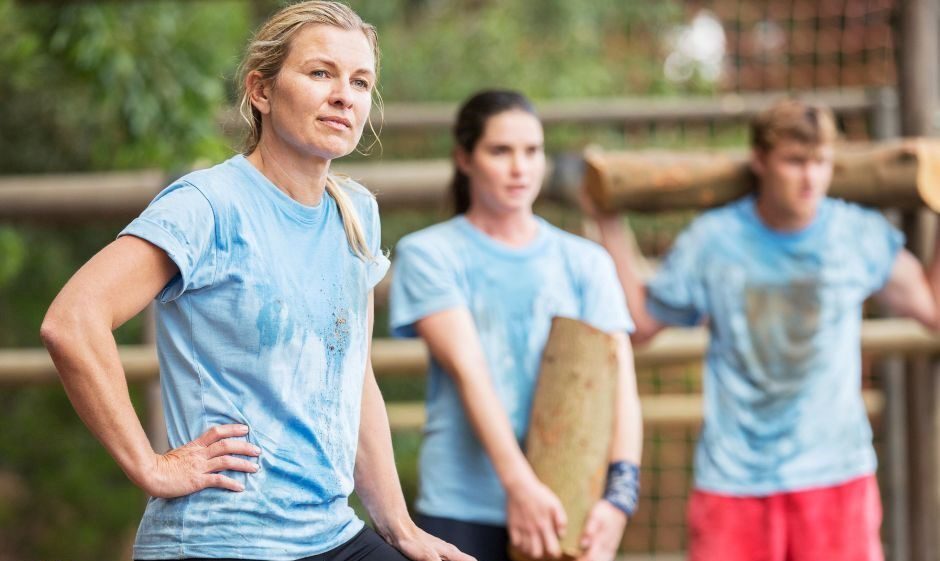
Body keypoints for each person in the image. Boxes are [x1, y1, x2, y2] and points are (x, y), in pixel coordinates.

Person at [39, 3, 472, 561]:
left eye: (360, 81)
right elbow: (71, 321)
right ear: (260, 91)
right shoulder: (208, 205)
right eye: (321, 73)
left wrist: (400, 527)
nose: (344, 94)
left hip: (329, 534)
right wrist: (149, 466)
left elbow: (353, 378)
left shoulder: (355, 213)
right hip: (219, 537)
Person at [587, 98, 940, 561]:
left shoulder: (857, 235)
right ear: (760, 161)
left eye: (821, 162)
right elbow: (638, 324)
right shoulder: (712, 242)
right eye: (795, 162)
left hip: (835, 473)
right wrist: (606, 217)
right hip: (734, 479)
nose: (810, 178)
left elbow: (932, 309)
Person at [389, 90, 644, 561]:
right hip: (462, 505)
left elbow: (619, 381)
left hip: (568, 503)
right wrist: (520, 486)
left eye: (532, 151)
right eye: (500, 151)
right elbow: (470, 371)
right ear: (464, 158)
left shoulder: (586, 261)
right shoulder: (429, 254)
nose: (519, 167)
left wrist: (619, 497)